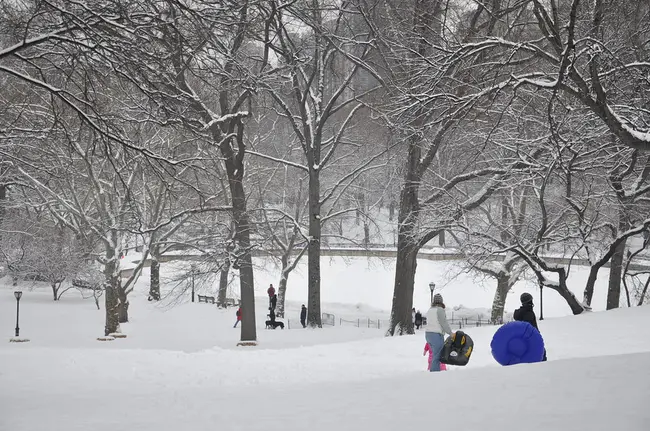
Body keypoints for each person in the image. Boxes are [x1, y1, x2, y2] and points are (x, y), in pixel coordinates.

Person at [514, 292, 547, 361]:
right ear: (530, 301)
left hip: (523, 340)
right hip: (532, 338)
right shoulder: (528, 313)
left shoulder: (520, 312)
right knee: (542, 355)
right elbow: (529, 327)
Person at [425, 293, 454, 372]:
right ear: (441, 301)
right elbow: (443, 323)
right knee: (437, 356)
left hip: (428, 334)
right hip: (436, 335)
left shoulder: (430, 310)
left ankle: (433, 371)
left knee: (435, 354)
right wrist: (451, 333)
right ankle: (435, 374)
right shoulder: (440, 310)